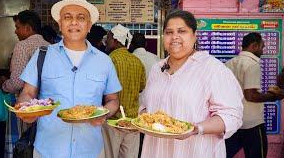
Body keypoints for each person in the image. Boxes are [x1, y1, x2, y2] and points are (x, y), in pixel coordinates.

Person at [18, 0, 122, 158]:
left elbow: (113, 100)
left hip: (91, 150)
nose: (74, 22)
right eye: (67, 17)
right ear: (60, 24)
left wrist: (104, 113)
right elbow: (27, 93)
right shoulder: (42, 55)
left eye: (81, 17)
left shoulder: (104, 61)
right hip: (48, 150)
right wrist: (25, 108)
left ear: (89, 26)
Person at [139, 10, 244, 158]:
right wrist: (141, 120)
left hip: (195, 151)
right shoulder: (157, 68)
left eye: (182, 31)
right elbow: (146, 107)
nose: (174, 36)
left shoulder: (212, 68)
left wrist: (196, 128)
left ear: (194, 36)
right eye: (169, 32)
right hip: (156, 151)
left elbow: (231, 115)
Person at [225, 32, 284, 158]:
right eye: (262, 47)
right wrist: (274, 96)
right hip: (252, 124)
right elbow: (251, 96)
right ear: (254, 45)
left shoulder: (229, 63)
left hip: (234, 122)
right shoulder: (252, 65)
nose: (263, 50)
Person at [0, 10, 49, 158]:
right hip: (45, 107)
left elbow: (17, 82)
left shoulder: (22, 46)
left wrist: (3, 85)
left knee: (22, 145)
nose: (15, 31)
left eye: (17, 27)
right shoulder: (49, 46)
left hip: (25, 106)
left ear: (28, 28)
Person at [102, 24, 146, 158]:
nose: (106, 42)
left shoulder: (109, 60)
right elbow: (141, 87)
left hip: (112, 121)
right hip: (132, 122)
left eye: (108, 38)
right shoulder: (137, 61)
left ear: (115, 40)